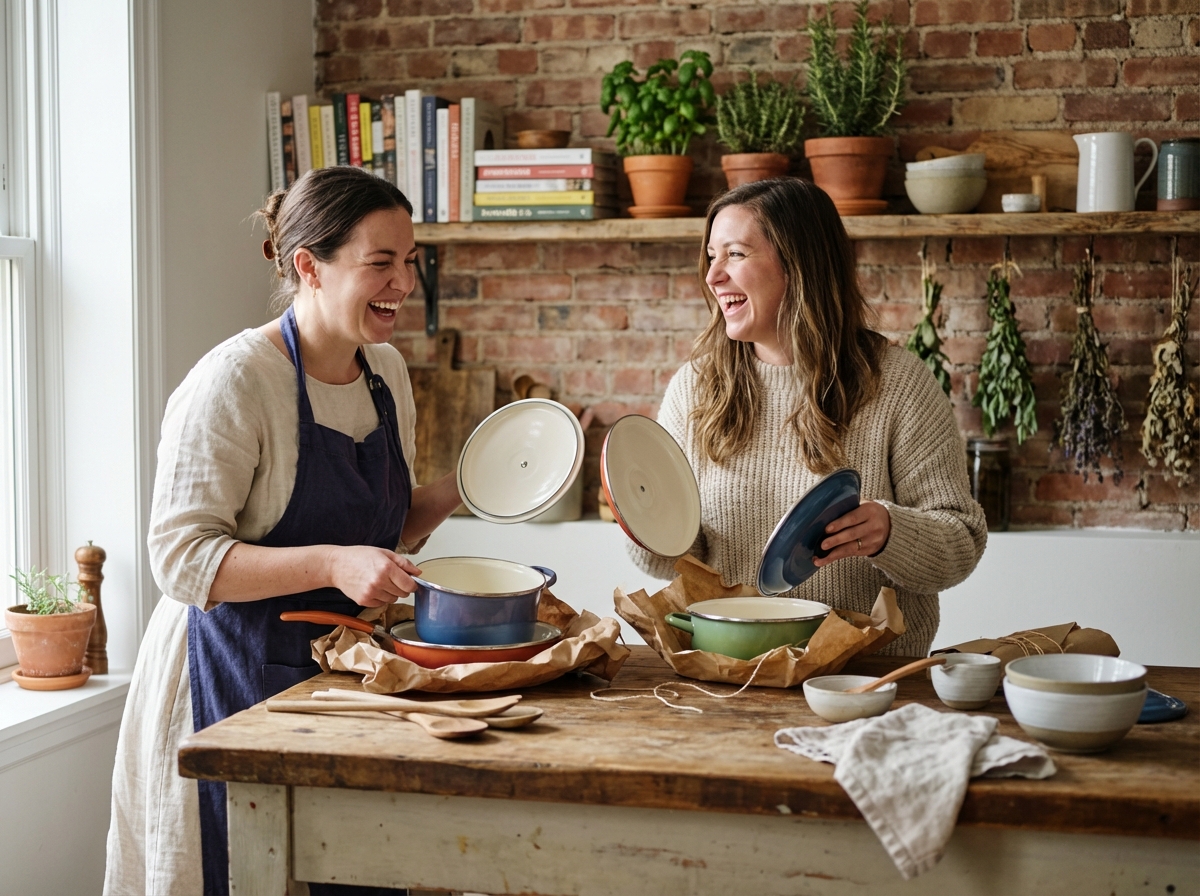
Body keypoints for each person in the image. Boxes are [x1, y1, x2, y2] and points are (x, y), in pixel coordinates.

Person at [104, 166, 461, 896]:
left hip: (344, 677)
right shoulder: (235, 381)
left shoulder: (386, 372)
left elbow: (385, 530)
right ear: (309, 266)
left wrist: (471, 486)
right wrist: (334, 563)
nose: (404, 285)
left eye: (411, 261)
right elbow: (180, 559)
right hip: (229, 674)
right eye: (381, 264)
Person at [628, 178, 987, 656]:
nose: (713, 276)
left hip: (866, 680)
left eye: (734, 254)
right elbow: (667, 562)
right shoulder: (694, 389)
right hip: (732, 672)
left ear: (798, 265)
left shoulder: (898, 384)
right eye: (711, 256)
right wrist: (645, 523)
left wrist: (890, 532)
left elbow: (961, 543)